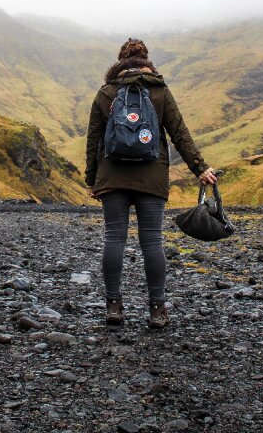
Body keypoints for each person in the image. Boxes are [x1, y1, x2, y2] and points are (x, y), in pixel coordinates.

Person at [85, 38, 217, 328]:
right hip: (152, 175)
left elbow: (94, 140)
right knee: (152, 241)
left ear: (119, 61)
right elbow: (179, 133)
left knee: (114, 238)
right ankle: (157, 309)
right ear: (147, 60)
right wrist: (200, 168)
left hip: (112, 175)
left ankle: (114, 307)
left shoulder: (106, 92)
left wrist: (91, 179)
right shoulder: (159, 91)